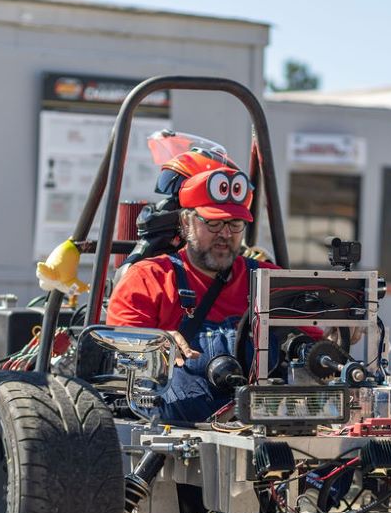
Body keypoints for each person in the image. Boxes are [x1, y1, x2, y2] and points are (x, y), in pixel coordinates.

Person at [107, 166, 282, 421]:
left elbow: (319, 335)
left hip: (262, 422)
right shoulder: (148, 278)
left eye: (235, 223)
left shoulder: (270, 279)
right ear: (187, 221)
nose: (225, 234)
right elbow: (122, 352)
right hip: (175, 435)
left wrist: (339, 326)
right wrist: (156, 345)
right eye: (213, 222)